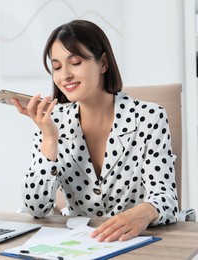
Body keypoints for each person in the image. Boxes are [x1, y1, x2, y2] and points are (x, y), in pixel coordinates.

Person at [12, 20, 179, 242]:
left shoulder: (149, 117)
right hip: (76, 246)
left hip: (133, 242)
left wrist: (147, 211)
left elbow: (166, 198)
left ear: (103, 64)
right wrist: (49, 138)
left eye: (76, 62)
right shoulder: (52, 123)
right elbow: (36, 207)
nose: (65, 75)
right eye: (57, 67)